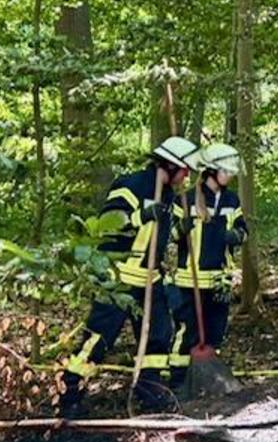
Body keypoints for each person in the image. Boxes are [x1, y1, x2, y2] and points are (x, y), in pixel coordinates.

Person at [59, 137, 197, 416]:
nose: (186, 176)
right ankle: (69, 394)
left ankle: (150, 391)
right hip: (118, 277)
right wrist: (140, 216)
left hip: (150, 279)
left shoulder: (169, 197)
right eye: (184, 170)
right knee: (98, 339)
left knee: (159, 336)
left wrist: (181, 229)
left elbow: (163, 236)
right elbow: (109, 224)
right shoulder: (131, 185)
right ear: (170, 165)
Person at [171, 143, 248, 368]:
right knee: (188, 333)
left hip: (220, 280)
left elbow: (244, 231)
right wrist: (181, 229)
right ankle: (179, 378)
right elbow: (170, 236)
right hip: (190, 281)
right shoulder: (185, 199)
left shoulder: (232, 200)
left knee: (215, 332)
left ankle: (208, 375)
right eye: (226, 171)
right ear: (212, 171)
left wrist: (236, 235)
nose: (230, 175)